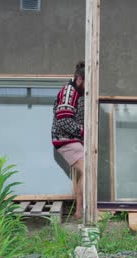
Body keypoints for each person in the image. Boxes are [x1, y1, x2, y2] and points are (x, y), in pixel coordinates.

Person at [51, 61, 85, 219]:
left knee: (85, 173)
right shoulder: (69, 92)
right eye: (87, 83)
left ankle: (79, 212)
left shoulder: (77, 92)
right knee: (88, 172)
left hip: (72, 140)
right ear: (79, 79)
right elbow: (63, 120)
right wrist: (84, 132)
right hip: (65, 140)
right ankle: (85, 211)